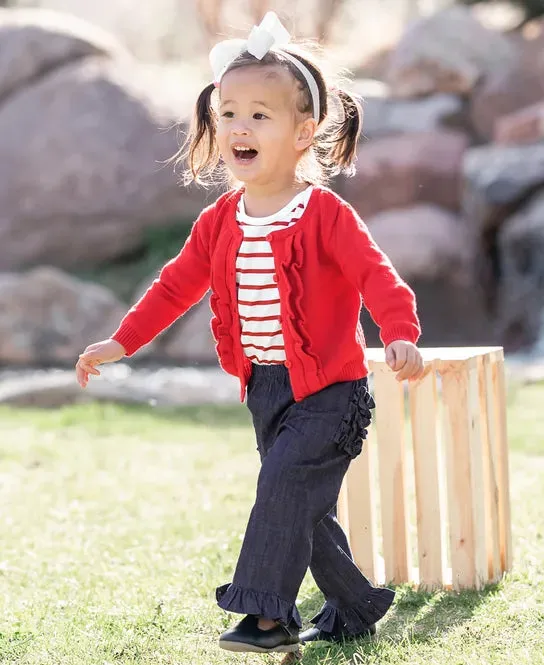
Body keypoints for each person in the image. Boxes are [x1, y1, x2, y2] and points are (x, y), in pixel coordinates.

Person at [76, 11, 424, 655]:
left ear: (303, 131)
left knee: (284, 487)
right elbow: (175, 285)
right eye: (228, 112)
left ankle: (267, 615)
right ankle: (356, 604)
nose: (239, 126)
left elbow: (378, 276)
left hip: (332, 392)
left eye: (259, 115)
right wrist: (122, 341)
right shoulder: (219, 220)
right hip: (266, 388)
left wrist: (399, 330)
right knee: (302, 506)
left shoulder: (323, 213)